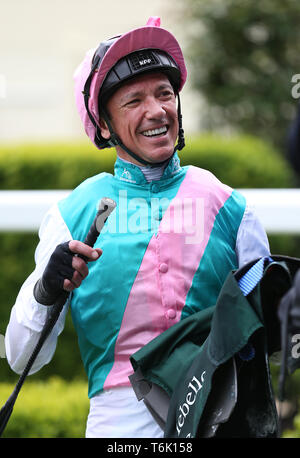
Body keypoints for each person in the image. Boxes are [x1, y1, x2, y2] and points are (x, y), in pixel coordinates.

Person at [4, 17, 270, 438]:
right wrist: (44, 290)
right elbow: (22, 359)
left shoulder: (230, 205)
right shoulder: (72, 213)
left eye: (165, 94)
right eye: (133, 101)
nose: (156, 111)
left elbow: (269, 336)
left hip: (221, 418)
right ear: (105, 126)